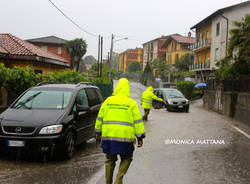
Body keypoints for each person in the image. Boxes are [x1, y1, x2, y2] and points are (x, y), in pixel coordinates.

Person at [95, 78, 145, 184]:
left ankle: (108, 182)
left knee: (109, 161)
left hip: (109, 137)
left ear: (117, 88)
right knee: (127, 158)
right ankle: (119, 179)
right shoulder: (131, 103)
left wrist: (98, 133)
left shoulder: (108, 101)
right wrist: (140, 137)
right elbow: (138, 123)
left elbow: (100, 118)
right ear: (127, 89)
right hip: (126, 138)